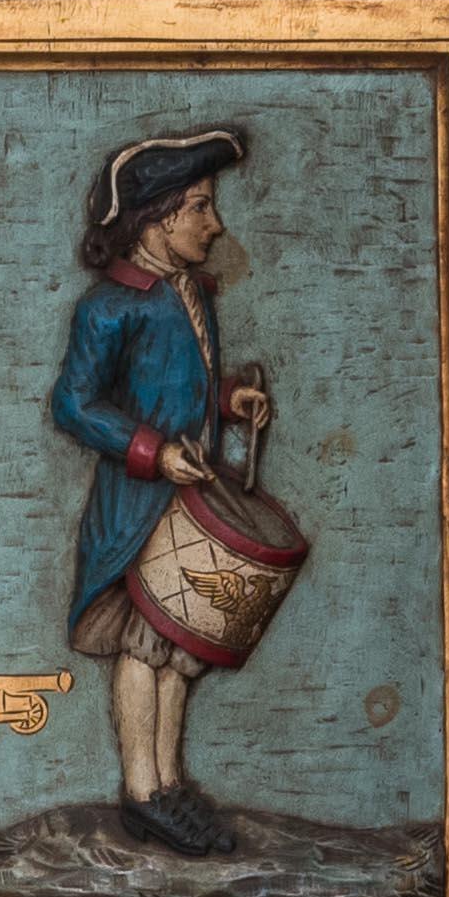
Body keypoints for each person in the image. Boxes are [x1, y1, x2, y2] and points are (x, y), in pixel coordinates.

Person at [48, 125, 279, 857]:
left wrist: (229, 400)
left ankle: (172, 781)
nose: (215, 225)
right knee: (144, 647)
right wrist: (149, 452)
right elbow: (74, 405)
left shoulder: (190, 294)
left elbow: (185, 385)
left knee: (183, 647)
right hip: (139, 503)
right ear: (158, 218)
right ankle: (143, 789)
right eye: (202, 209)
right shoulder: (109, 308)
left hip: (192, 502)